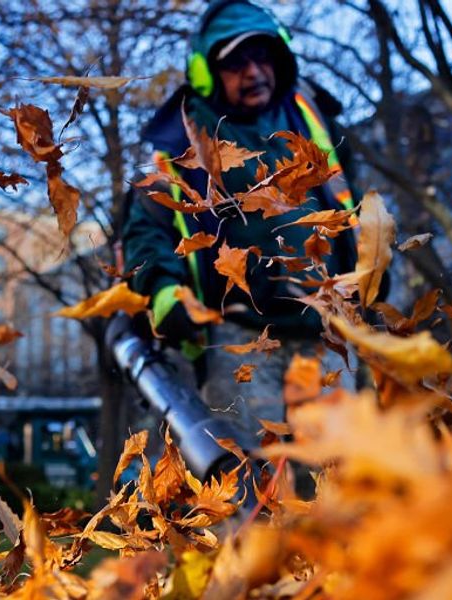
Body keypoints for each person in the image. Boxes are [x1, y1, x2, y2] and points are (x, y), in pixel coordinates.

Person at [122, 0, 375, 434]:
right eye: (236, 63)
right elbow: (146, 235)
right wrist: (166, 296)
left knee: (338, 478)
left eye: (262, 57)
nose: (254, 72)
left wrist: (373, 264)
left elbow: (356, 203)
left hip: (326, 333)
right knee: (248, 479)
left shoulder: (312, 116)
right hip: (240, 340)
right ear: (206, 73)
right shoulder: (180, 145)